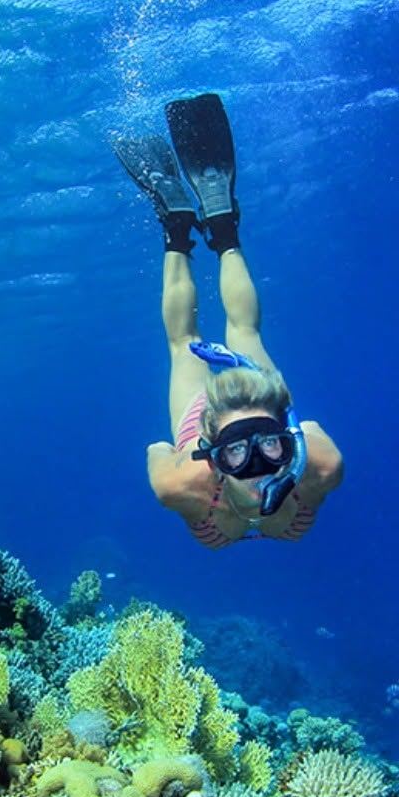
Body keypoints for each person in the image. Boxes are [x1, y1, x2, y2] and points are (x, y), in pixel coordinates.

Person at [114, 93, 343, 548]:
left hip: (232, 411)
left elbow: (158, 451)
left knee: (189, 342)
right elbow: (313, 428)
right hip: (250, 401)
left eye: (268, 448)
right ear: (214, 457)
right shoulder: (319, 470)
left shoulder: (179, 488)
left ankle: (180, 226)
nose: (258, 469)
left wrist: (186, 452)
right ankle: (214, 226)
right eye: (237, 452)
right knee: (238, 334)